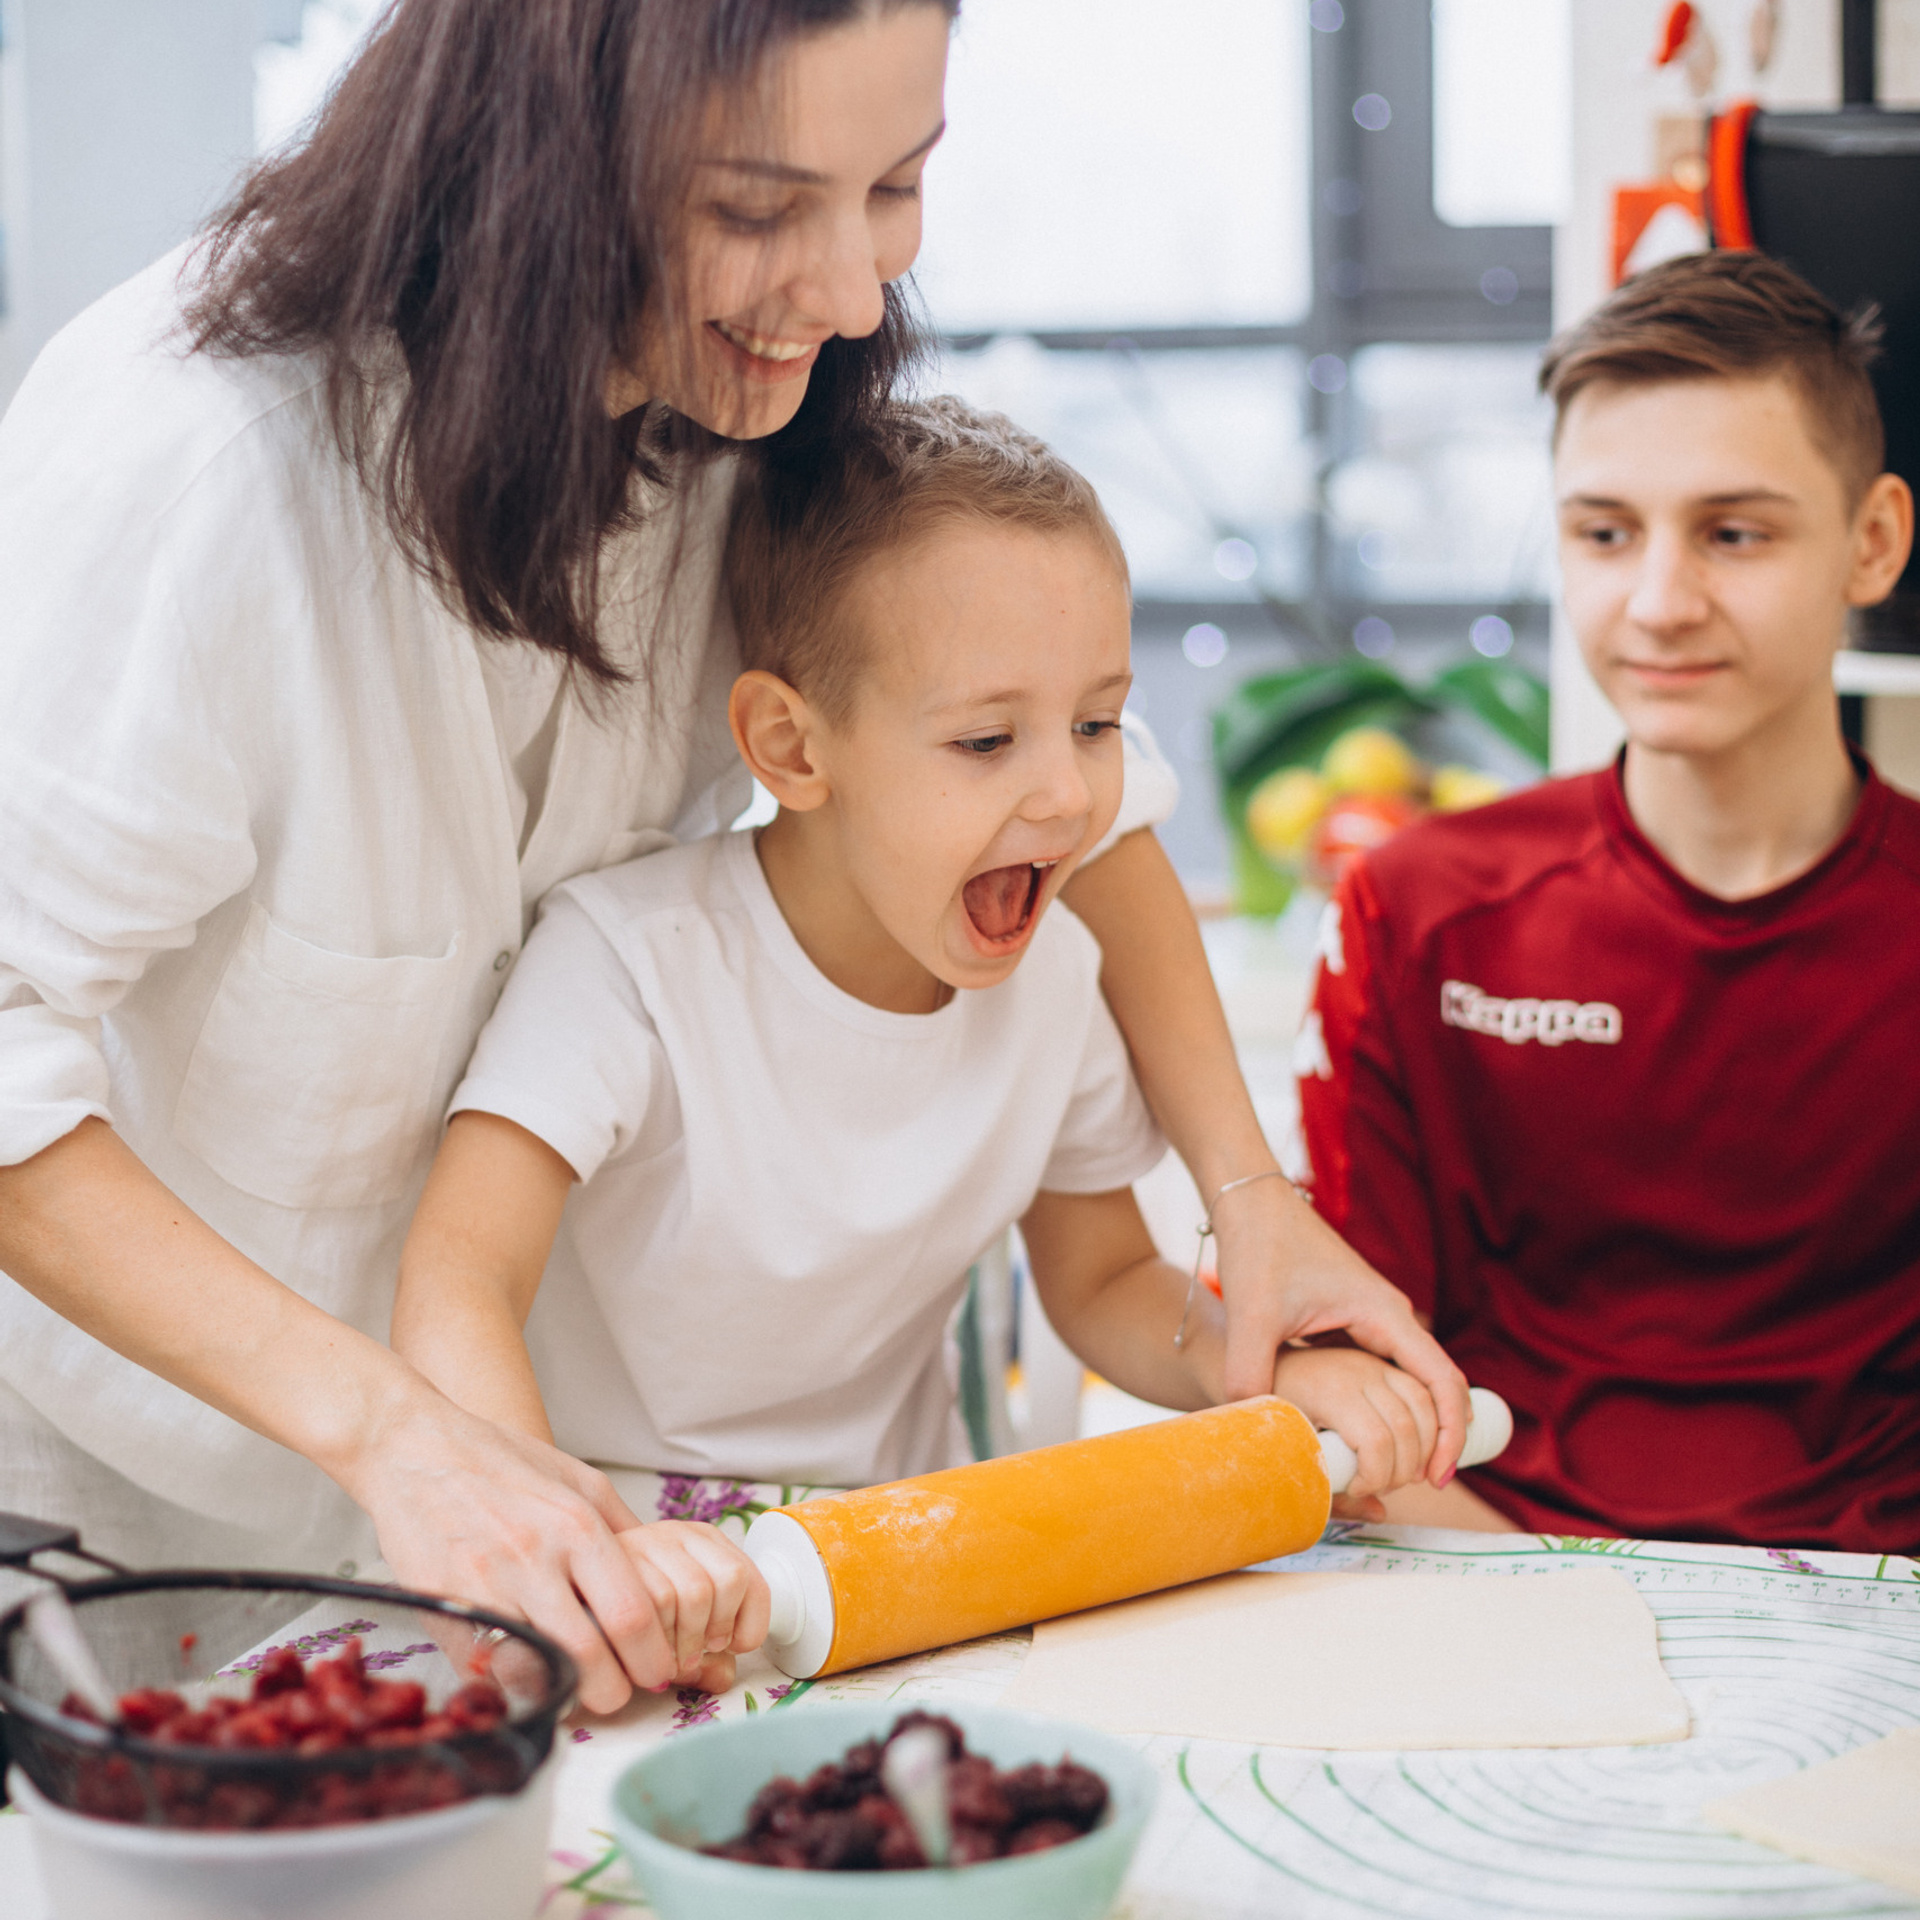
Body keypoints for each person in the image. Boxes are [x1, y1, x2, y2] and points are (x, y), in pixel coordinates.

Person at [0, 0, 1464, 1708]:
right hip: (125, 1506)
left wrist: (1250, 1201)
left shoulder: (736, 423)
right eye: (761, 210)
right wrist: (402, 1434)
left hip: (497, 1504)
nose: (851, 296)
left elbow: (1093, 808)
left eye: (897, 189)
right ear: (533, 167)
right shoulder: (202, 467)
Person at [394, 397, 1450, 1699]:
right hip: (619, 1565)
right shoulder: (629, 962)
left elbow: (1106, 1276)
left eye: (1098, 723)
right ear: (791, 745)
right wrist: (553, 1544)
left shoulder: (1054, 969)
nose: (1067, 795)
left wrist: (1273, 1373)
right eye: (986, 741)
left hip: (894, 1575)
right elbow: (457, 1277)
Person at [1297, 250, 1920, 1552]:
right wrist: (1547, 1617)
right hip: (1477, 1568)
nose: (1658, 602)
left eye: (1734, 533)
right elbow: (1338, 1379)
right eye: (1603, 533)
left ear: (1871, 544)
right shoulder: (1414, 912)